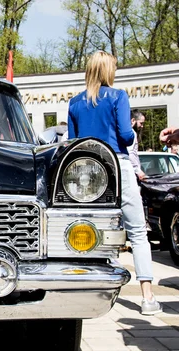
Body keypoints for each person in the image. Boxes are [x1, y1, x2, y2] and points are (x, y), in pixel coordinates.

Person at [67, 50, 162, 315]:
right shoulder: (118, 97)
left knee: (84, 229)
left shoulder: (74, 103)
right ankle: (147, 297)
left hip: (87, 171)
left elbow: (73, 143)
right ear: (109, 70)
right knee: (138, 232)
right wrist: (133, 131)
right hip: (117, 165)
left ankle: (83, 292)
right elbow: (125, 135)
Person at [129, 110, 146, 180]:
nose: (142, 126)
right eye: (141, 123)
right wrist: (138, 170)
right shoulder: (132, 134)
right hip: (132, 172)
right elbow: (131, 153)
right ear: (133, 120)